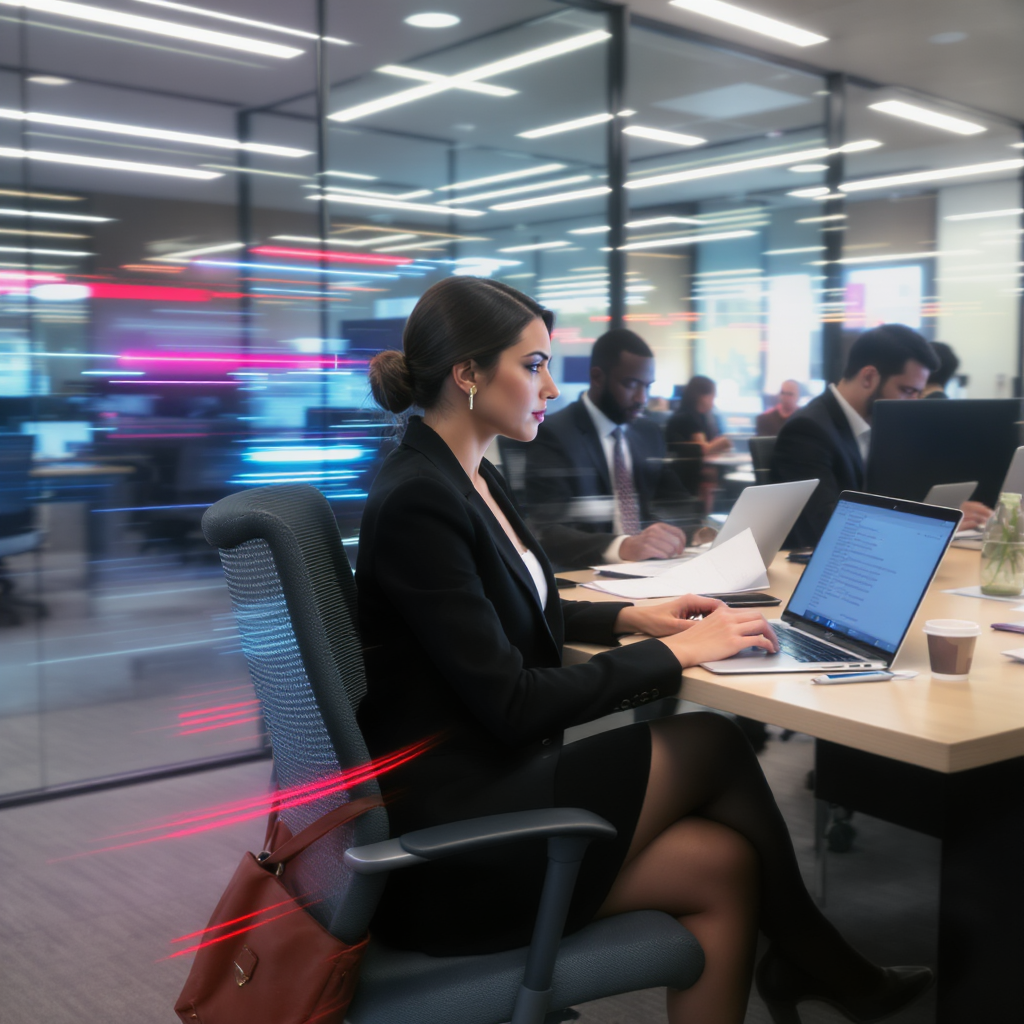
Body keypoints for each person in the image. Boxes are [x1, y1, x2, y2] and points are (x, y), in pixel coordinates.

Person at [357, 276, 932, 1024]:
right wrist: (681, 653)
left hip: (494, 787)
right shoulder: (419, 497)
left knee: (726, 868)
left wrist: (637, 616)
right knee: (712, 741)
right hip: (455, 842)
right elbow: (511, 701)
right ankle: (819, 961)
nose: (550, 386)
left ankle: (807, 960)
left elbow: (510, 610)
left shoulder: (469, 473)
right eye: (533, 365)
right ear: (467, 373)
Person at [770, 325, 990, 548]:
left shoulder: (880, 428)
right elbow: (833, 527)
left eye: (918, 393)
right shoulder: (808, 431)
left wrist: (942, 512)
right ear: (869, 377)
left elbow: (892, 502)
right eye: (907, 391)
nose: (914, 404)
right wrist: (931, 524)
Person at [524, 328, 692, 571]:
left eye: (647, 386)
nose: (642, 398)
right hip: (588, 572)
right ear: (597, 377)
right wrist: (624, 546)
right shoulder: (555, 434)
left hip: (650, 568)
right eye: (631, 384)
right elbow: (546, 532)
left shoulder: (648, 433)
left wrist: (701, 532)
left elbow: (678, 503)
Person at [666, 375, 732, 455]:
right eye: (712, 397)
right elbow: (702, 450)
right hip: (687, 462)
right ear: (702, 397)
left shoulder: (703, 417)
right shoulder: (685, 419)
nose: (713, 403)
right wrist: (723, 442)